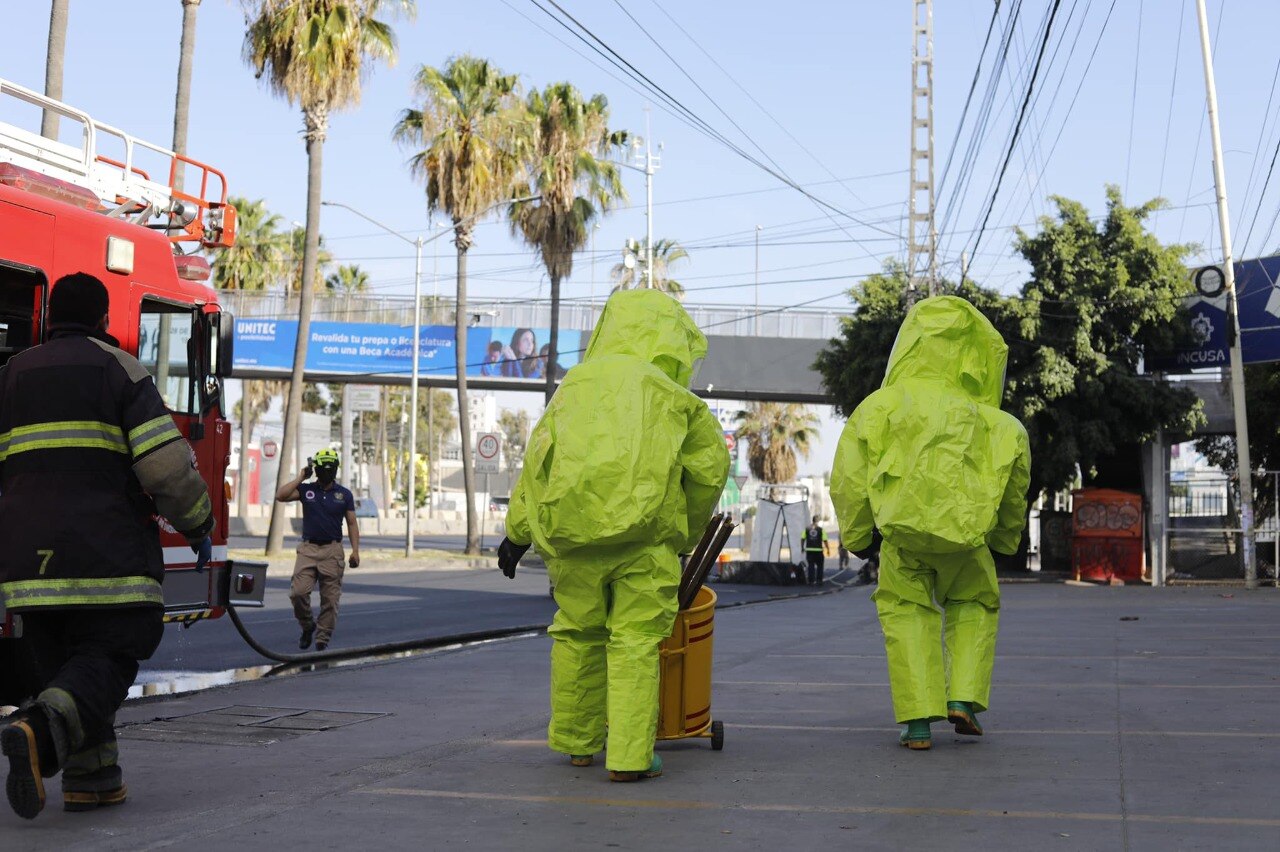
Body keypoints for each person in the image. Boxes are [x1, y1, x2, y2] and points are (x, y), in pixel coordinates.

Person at [0, 272, 214, 819]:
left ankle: (93, 781)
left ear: (49, 319)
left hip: (26, 570)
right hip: (107, 559)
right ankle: (39, 731)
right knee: (112, 654)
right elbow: (167, 467)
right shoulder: (119, 371)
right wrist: (196, 524)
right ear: (101, 321)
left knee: (66, 673)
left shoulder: (12, 374)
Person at [496, 289, 729, 782]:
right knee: (634, 644)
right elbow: (709, 472)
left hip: (574, 543)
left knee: (578, 635)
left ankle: (578, 744)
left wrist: (517, 534)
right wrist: (682, 535)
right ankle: (628, 757)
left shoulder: (574, 385)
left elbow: (539, 461)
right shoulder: (673, 397)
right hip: (645, 545)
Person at [831, 296, 1030, 752]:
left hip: (903, 540)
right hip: (968, 542)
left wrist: (860, 537)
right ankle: (962, 697)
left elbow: (848, 479)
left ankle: (918, 723)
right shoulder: (1001, 426)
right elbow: (1012, 492)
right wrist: (1003, 539)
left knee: (908, 617)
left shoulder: (878, 408)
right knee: (974, 607)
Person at [276, 448, 360, 651]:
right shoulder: (306, 490)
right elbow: (281, 495)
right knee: (297, 593)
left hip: (332, 550)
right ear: (317, 469)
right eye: (324, 468)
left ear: (336, 470)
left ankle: (322, 640)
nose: (328, 472)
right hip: (308, 549)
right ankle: (307, 626)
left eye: (332, 468)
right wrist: (301, 477)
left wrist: (355, 551)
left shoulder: (344, 494)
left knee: (330, 600)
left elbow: (351, 523)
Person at [803, 516, 831, 585]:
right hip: (818, 550)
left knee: (810, 566)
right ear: (818, 522)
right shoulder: (821, 529)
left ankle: (811, 581)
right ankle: (819, 580)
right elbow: (825, 540)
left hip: (809, 550)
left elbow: (802, 538)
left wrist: (802, 547)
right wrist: (828, 549)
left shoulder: (807, 529)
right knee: (820, 566)